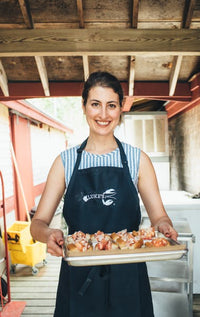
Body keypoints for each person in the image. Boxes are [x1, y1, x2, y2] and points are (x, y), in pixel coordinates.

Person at [30, 71, 178, 317]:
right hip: (78, 280)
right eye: (95, 104)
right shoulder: (65, 162)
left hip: (128, 279)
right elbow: (37, 224)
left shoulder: (137, 160)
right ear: (84, 106)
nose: (103, 114)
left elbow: (159, 217)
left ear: (121, 108)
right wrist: (48, 234)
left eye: (111, 105)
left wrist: (164, 227)